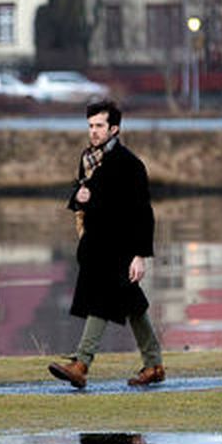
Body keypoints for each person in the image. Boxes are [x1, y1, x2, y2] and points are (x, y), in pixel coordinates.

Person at [48, 98, 164, 389]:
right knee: (133, 305)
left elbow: (143, 212)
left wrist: (140, 255)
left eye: (99, 125)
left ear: (114, 128)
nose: (94, 131)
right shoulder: (88, 159)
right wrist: (78, 198)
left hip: (120, 247)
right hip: (96, 245)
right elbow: (81, 195)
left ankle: (82, 364)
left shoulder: (130, 164)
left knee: (101, 301)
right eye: (90, 126)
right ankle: (154, 365)